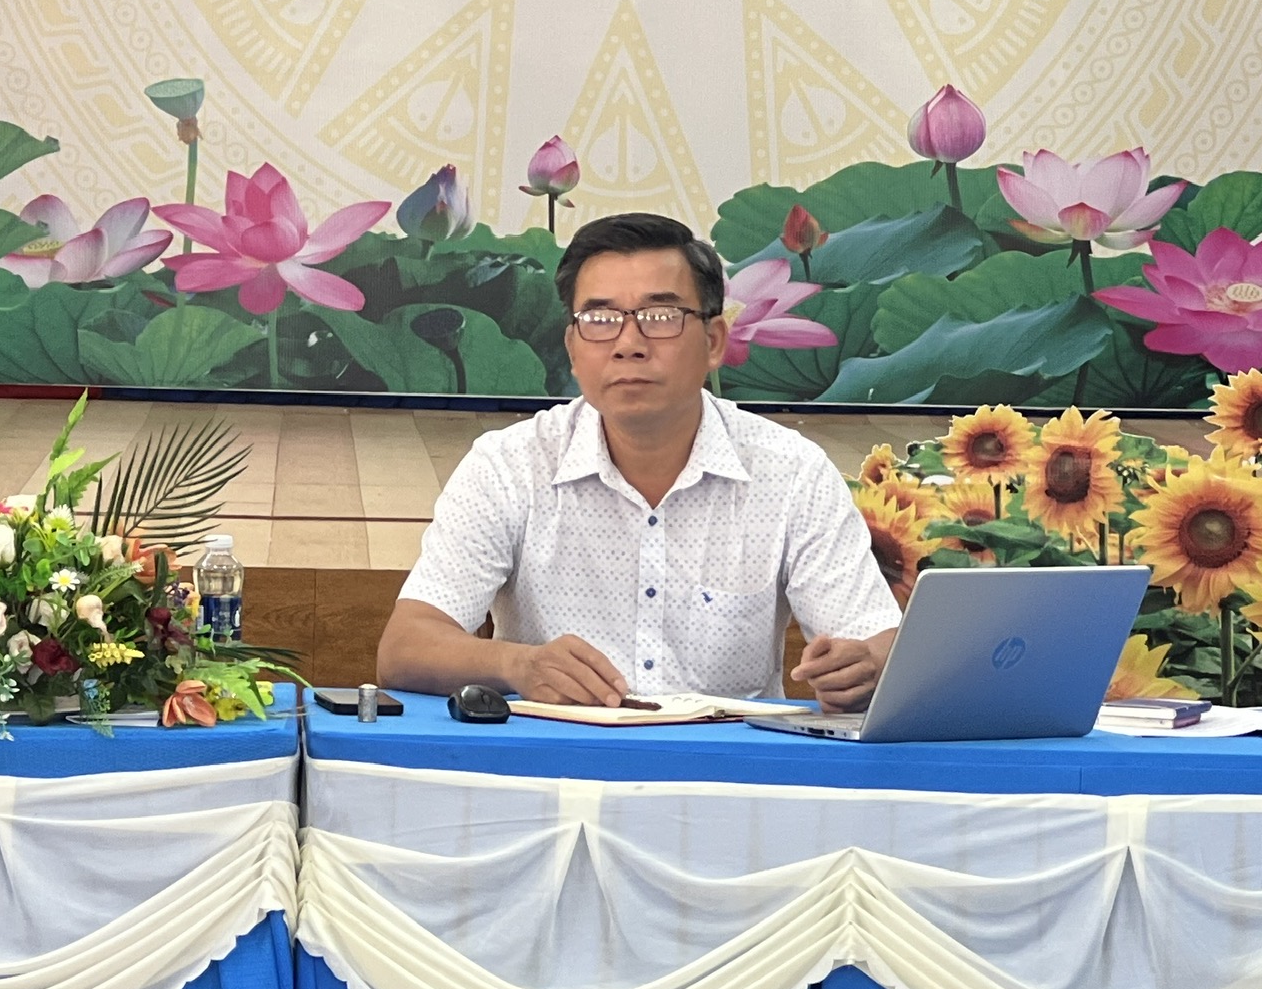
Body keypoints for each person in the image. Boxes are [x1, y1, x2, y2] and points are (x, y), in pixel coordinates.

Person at [377, 211, 898, 711]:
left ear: (714, 341)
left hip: (724, 762)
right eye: (600, 319)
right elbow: (405, 647)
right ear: (573, 348)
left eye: (660, 317)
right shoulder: (509, 465)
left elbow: (876, 639)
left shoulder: (792, 472)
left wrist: (867, 668)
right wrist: (519, 665)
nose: (628, 344)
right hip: (558, 756)